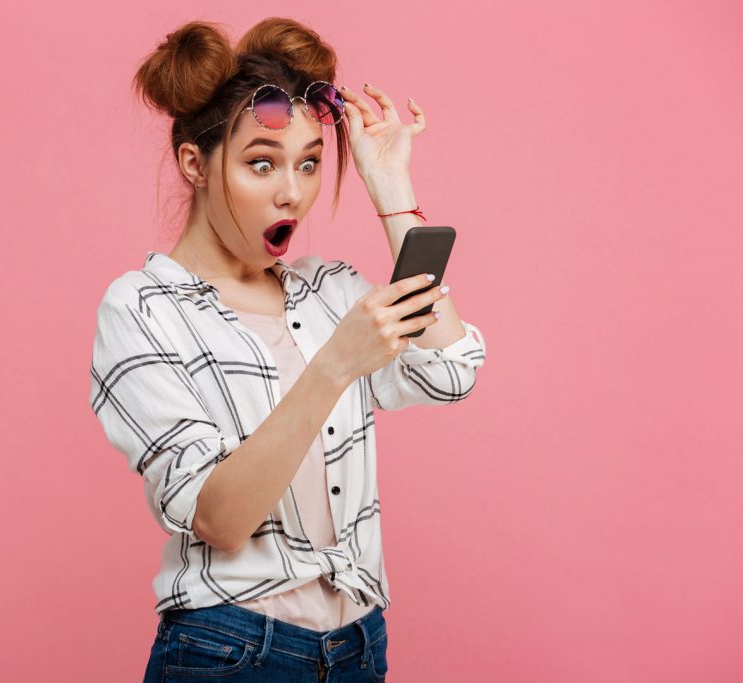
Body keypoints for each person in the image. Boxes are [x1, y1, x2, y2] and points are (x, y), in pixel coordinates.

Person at [89, 17, 487, 682]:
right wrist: (335, 365)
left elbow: (451, 371)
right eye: (261, 163)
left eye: (308, 162)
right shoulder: (143, 308)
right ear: (196, 162)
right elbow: (219, 516)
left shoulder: (327, 290)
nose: (293, 192)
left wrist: (390, 187)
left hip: (358, 647)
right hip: (231, 649)